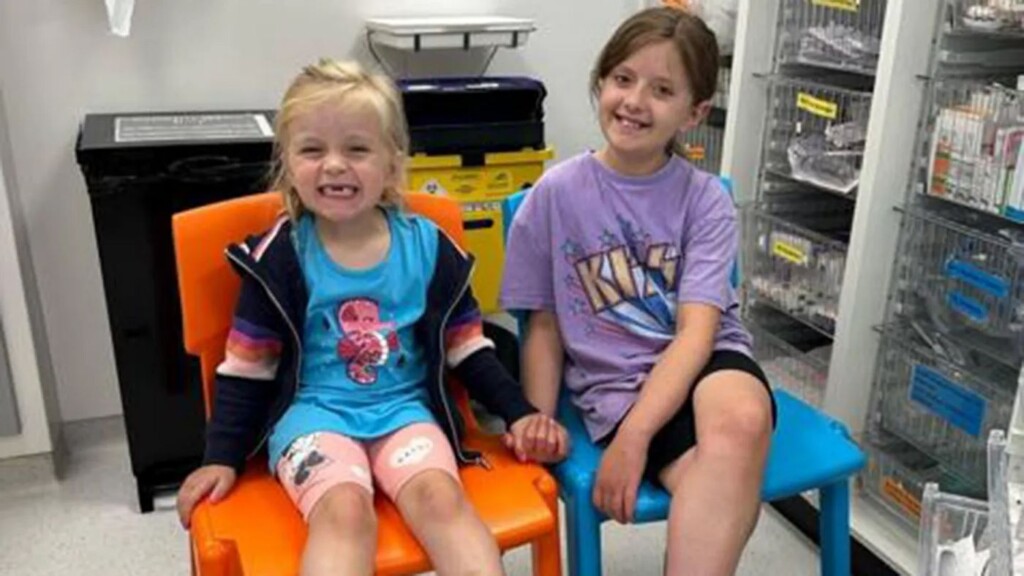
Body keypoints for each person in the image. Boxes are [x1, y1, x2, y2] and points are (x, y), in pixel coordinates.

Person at [176, 58, 568, 576]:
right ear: (289, 162)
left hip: (405, 413)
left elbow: (469, 349)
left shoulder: (430, 249)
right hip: (313, 418)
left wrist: (518, 412)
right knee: (344, 514)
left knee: (442, 501)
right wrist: (220, 457)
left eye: (357, 149)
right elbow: (246, 370)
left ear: (391, 162)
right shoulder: (280, 257)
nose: (334, 165)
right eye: (313, 150)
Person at [500, 8, 776, 576]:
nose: (634, 100)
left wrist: (634, 439)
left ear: (694, 112)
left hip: (703, 358)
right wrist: (538, 419)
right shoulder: (554, 195)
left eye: (662, 89)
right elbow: (543, 326)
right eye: (623, 79)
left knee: (743, 421)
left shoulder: (705, 200)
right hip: (618, 381)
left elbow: (698, 335)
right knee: (723, 478)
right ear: (601, 82)